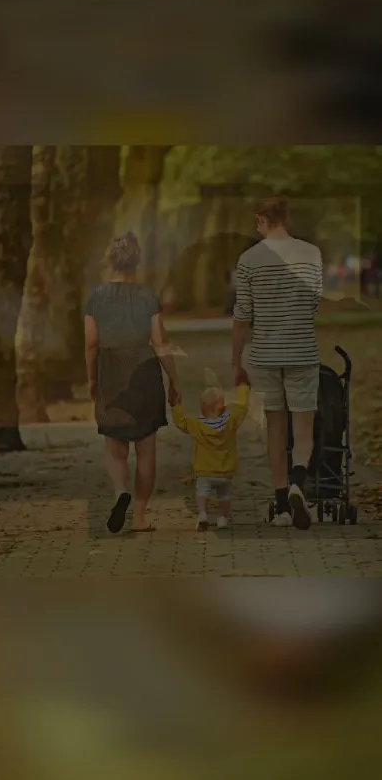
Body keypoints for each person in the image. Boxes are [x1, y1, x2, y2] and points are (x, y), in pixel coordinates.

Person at [231, 196, 323, 530]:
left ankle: (283, 505)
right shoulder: (311, 254)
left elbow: (242, 316)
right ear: (286, 217)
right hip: (302, 351)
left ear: (260, 220)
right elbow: (314, 302)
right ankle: (300, 480)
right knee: (303, 427)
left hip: (265, 355)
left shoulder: (249, 260)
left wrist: (236, 362)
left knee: (275, 428)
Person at [84, 231, 180, 534]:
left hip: (111, 372)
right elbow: (160, 342)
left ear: (110, 261)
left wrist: (91, 379)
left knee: (115, 447)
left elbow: (91, 343)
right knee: (146, 450)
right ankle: (139, 517)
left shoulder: (96, 297)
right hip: (145, 372)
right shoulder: (148, 296)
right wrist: (174, 380)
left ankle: (119, 493)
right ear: (136, 261)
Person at [169, 373, 249, 531]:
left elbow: (180, 423)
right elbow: (242, 407)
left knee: (202, 493)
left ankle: (203, 514)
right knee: (224, 496)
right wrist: (243, 388)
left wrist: (176, 406)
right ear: (224, 407)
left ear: (202, 409)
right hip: (225, 472)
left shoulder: (196, 425)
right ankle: (223, 518)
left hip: (204, 471)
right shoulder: (231, 422)